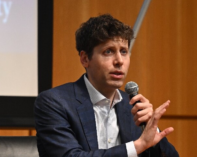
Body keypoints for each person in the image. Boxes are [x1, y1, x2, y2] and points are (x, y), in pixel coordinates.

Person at [34, 14, 179, 157]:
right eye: (108, 51)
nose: (119, 61)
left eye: (124, 51)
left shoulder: (133, 106)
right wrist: (137, 146)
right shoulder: (55, 102)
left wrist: (151, 128)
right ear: (85, 59)